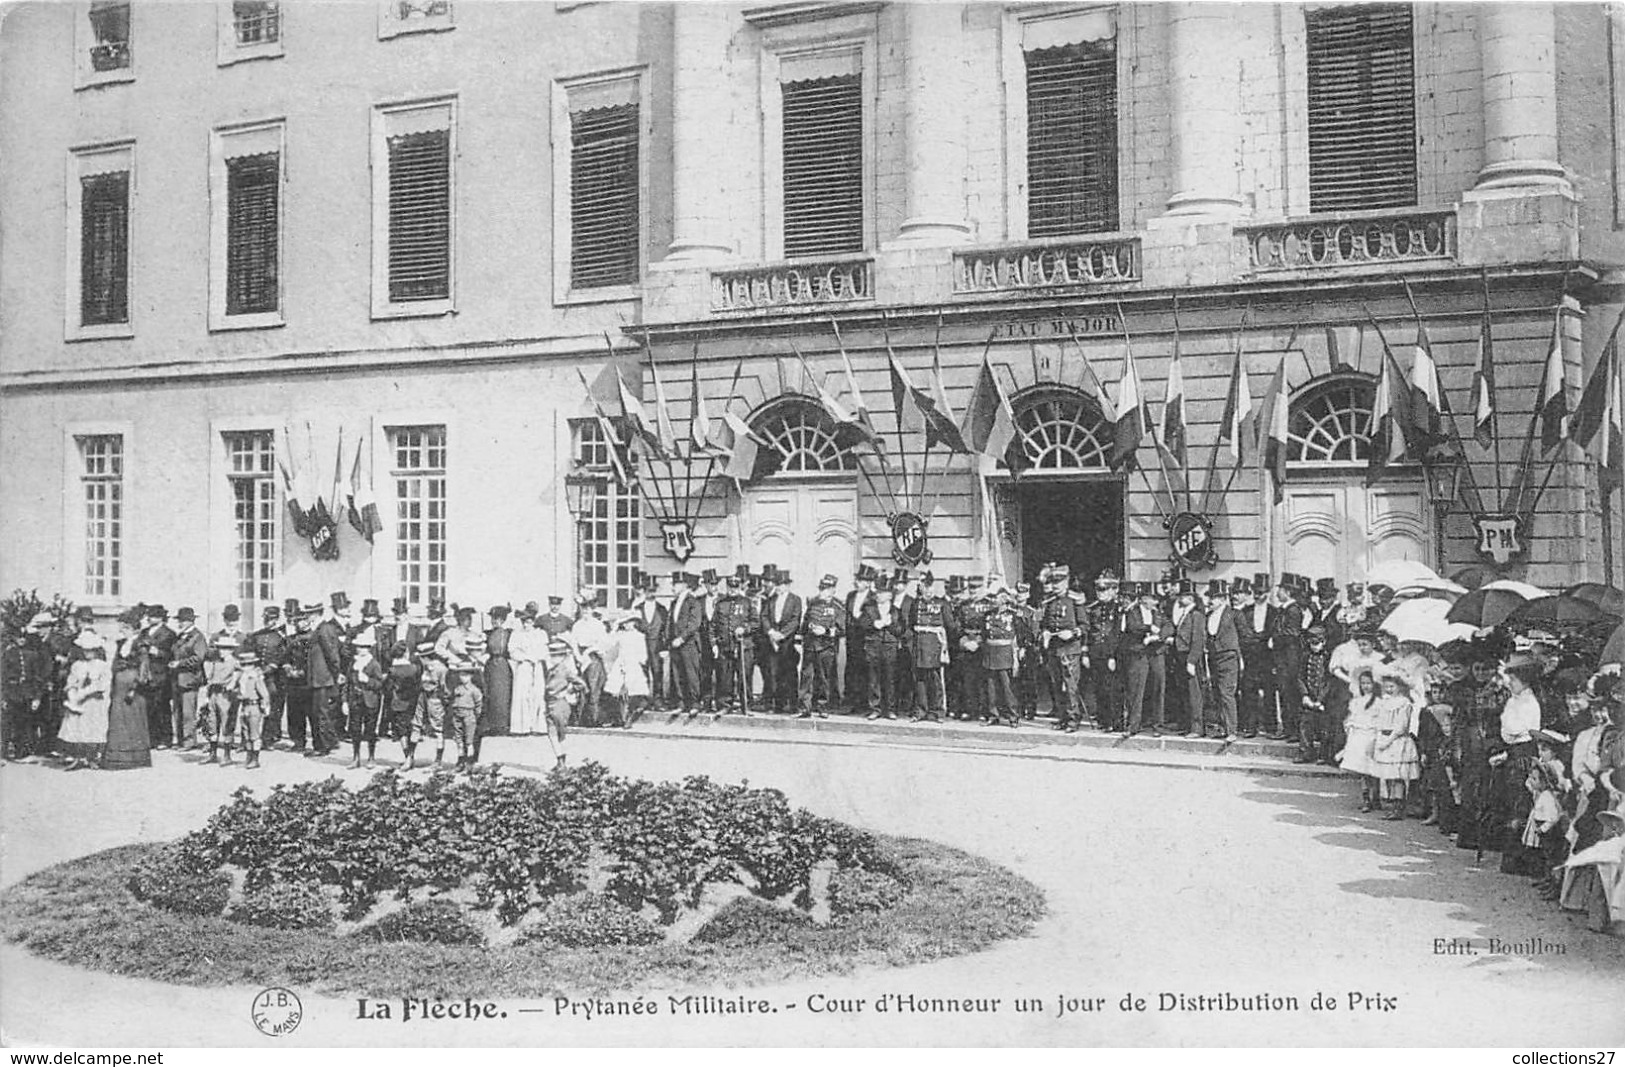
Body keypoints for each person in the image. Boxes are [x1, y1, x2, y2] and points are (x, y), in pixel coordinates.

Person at [1120, 581, 1172, 736]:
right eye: (1153, 598)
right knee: (1136, 690)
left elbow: (1169, 626)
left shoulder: (1158, 612)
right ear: (1143, 598)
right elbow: (1133, 627)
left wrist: (1158, 637)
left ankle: (1157, 726)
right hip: (1139, 655)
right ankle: (1133, 726)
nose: (1155, 601)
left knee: (1158, 689)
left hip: (1156, 654)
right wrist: (1149, 628)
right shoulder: (1132, 612)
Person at [102, 608, 151, 770]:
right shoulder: (122, 643)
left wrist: (135, 687)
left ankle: (134, 757)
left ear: (132, 627)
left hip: (132, 688)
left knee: (132, 720)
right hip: (119, 687)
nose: (122, 630)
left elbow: (144, 666)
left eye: (124, 627)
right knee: (118, 719)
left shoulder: (141, 643)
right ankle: (117, 757)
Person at [1040, 564, 1086, 731]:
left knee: (1071, 686)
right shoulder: (1050, 602)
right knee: (1056, 685)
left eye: (1059, 582)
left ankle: (1074, 719)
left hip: (1070, 650)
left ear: (1066, 582)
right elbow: (1045, 624)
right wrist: (1045, 633)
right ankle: (1062, 718)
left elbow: (1084, 626)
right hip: (1054, 650)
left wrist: (1072, 633)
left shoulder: (1075, 601)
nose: (1055, 586)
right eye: (1053, 582)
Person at [1371, 668, 1422, 820]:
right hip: (1384, 738)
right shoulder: (1384, 702)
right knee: (1388, 775)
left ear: (1399, 686)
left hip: (1397, 741)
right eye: (1386, 686)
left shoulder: (1404, 703)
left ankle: (1399, 807)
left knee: (1398, 776)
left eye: (1392, 686)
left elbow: (1401, 726)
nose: (1389, 689)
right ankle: (1391, 803)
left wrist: (1389, 740)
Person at [58, 631, 111, 770]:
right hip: (78, 702)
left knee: (93, 728)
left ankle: (92, 757)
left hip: (93, 701)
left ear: (96, 651)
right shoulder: (77, 665)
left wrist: (86, 692)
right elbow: (71, 681)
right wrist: (72, 695)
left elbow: (103, 684)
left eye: (91, 651)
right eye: (85, 651)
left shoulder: (102, 665)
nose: (88, 653)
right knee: (77, 728)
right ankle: (78, 757)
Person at [907, 571, 955, 723]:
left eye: (929, 586)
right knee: (919, 679)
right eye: (924, 586)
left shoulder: (942, 603)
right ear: (920, 587)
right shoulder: (916, 604)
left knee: (935, 679)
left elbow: (950, 625)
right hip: (920, 644)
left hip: (935, 645)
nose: (927, 590)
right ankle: (921, 710)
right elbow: (911, 624)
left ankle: (937, 712)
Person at [799, 574, 845, 719]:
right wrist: (807, 629)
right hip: (810, 646)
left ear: (833, 590)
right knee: (806, 677)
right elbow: (805, 623)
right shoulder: (813, 603)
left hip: (826, 647)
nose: (822, 592)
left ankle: (823, 706)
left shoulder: (837, 607)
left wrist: (825, 631)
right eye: (821, 589)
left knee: (824, 678)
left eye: (826, 589)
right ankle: (805, 707)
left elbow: (842, 629)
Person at [1202, 579, 1241, 743]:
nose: (1211, 600)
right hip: (1213, 657)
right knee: (1217, 692)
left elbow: (1244, 637)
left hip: (1228, 656)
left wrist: (1240, 657)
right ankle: (1222, 727)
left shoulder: (1234, 614)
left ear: (1224, 598)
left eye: (1215, 597)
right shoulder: (1209, 615)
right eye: (1210, 597)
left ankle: (1232, 730)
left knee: (1227, 693)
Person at [712, 572, 756, 715]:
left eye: (735, 587)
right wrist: (714, 643)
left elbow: (756, 623)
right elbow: (713, 625)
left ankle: (746, 706)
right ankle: (725, 705)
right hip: (725, 646)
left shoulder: (747, 602)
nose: (733, 590)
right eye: (730, 587)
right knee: (725, 677)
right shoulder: (720, 603)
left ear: (740, 587)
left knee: (745, 677)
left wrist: (744, 629)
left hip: (744, 647)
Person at [761, 567, 803, 715]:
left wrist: (782, 635)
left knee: (789, 674)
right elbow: (764, 616)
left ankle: (792, 705)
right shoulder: (771, 600)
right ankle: (776, 705)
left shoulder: (795, 600)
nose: (778, 587)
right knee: (774, 673)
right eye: (777, 584)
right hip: (772, 641)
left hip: (787, 642)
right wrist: (771, 632)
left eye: (781, 584)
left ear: (787, 585)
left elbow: (795, 620)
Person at [1168, 580, 1206, 737]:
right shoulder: (1185, 614)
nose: (1179, 599)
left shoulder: (1196, 615)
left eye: (1182, 596)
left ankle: (1197, 728)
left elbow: (1197, 640)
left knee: (1194, 693)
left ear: (1190, 598)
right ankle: (1187, 724)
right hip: (1180, 656)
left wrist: (1191, 661)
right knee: (1184, 692)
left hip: (1190, 658)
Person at [1236, 577, 1274, 739]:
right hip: (1250, 657)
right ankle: (1250, 726)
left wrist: (1262, 639)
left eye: (1261, 593)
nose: (1257, 596)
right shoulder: (1246, 611)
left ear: (1267, 593)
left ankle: (1270, 727)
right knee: (1249, 691)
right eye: (1255, 593)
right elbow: (1243, 634)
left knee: (1269, 692)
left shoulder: (1274, 612)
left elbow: (1274, 633)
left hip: (1267, 658)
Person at [308, 597, 346, 756]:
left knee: (322, 712)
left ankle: (325, 746)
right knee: (318, 711)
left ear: (317, 614)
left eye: (310, 614)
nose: (307, 617)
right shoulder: (319, 629)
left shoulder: (324, 629)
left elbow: (332, 654)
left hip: (323, 678)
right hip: (317, 678)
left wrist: (337, 673)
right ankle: (324, 743)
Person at [861, 581, 904, 721]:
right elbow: (861, 624)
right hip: (873, 646)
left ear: (889, 595)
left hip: (889, 647)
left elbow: (900, 630)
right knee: (874, 678)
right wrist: (874, 624)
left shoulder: (895, 610)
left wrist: (890, 624)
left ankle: (890, 709)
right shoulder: (869, 608)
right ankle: (875, 708)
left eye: (881, 592)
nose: (878, 595)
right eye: (877, 592)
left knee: (890, 679)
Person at [980, 584, 1021, 728]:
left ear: (1003, 599)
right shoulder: (987, 615)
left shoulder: (1013, 615)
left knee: (1007, 686)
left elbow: (1018, 636)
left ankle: (1013, 715)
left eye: (994, 598)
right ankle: (993, 715)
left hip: (1005, 652)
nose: (991, 601)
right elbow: (984, 635)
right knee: (991, 686)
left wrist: (1016, 655)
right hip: (991, 652)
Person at [134, 604, 175, 749]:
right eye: (149, 616)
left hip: (161, 674)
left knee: (162, 707)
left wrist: (157, 652)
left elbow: (171, 655)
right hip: (146, 674)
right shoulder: (144, 632)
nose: (150, 618)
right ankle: (151, 738)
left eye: (153, 616)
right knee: (149, 707)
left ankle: (165, 739)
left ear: (161, 618)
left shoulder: (169, 633)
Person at [1341, 669, 1382, 812]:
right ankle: (1366, 798)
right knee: (1362, 770)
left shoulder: (1378, 702)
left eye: (1369, 683)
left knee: (1372, 769)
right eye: (1363, 683)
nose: (1365, 686)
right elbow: (1352, 717)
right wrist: (1349, 725)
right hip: (1358, 736)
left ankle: (1375, 798)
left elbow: (1379, 721)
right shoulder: (1357, 701)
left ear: (1374, 684)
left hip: (1371, 735)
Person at [568, 592, 611, 726]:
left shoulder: (598, 625)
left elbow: (603, 643)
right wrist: (578, 657)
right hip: (581, 658)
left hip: (593, 658)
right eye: (583, 608)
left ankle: (594, 718)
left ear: (592, 609)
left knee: (594, 688)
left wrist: (589, 651)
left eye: (588, 608)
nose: (585, 611)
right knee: (581, 686)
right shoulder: (577, 625)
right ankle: (581, 718)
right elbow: (573, 642)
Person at [169, 606, 208, 750]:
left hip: (190, 679)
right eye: (180, 620)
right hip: (177, 679)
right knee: (178, 711)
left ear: (192, 621)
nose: (182, 623)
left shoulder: (198, 637)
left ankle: (189, 741)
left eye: (185, 620)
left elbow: (199, 657)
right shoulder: (180, 637)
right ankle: (181, 740)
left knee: (188, 712)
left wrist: (180, 663)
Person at [247, 605, 287, 746]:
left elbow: (283, 656)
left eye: (272, 619)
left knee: (273, 706)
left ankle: (269, 737)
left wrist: (269, 668)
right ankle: (252, 736)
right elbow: (251, 653)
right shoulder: (257, 635)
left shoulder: (282, 637)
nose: (269, 621)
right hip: (257, 674)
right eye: (267, 619)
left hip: (274, 677)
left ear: (277, 619)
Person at [345, 630, 385, 769]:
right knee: (355, 729)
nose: (361, 649)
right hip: (355, 700)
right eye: (359, 646)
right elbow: (347, 683)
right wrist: (345, 701)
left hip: (370, 700)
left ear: (369, 648)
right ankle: (356, 758)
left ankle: (371, 757)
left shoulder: (374, 664)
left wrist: (367, 680)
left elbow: (379, 684)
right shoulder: (353, 663)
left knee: (370, 729)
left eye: (364, 647)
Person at [669, 572, 706, 719]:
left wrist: (682, 638)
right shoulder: (674, 602)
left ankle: (695, 703)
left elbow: (694, 624)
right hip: (675, 644)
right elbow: (669, 623)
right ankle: (681, 703)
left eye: (675, 584)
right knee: (677, 674)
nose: (672, 587)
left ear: (684, 585)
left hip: (689, 644)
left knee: (691, 674)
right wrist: (669, 641)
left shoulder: (693, 602)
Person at [542, 635, 583, 768]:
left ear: (563, 657)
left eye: (557, 656)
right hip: (550, 704)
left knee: (560, 734)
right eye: (552, 656)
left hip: (560, 704)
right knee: (552, 734)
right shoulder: (551, 670)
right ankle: (560, 759)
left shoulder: (565, 670)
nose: (554, 659)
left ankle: (562, 762)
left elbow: (581, 684)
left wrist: (568, 691)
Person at [508, 606, 548, 736]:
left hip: (537, 666)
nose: (527, 625)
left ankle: (538, 726)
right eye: (525, 622)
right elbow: (512, 651)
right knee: (522, 695)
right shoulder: (517, 634)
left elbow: (545, 650)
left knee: (537, 694)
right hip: (524, 666)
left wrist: (537, 658)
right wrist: (525, 658)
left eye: (530, 622)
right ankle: (522, 727)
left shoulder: (540, 634)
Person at [201, 632, 239, 764]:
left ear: (232, 650)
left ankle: (227, 756)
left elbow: (238, 677)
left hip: (226, 696)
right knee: (212, 723)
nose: (222, 651)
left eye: (226, 648)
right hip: (213, 694)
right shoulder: (215, 662)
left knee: (227, 724)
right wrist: (207, 697)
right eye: (221, 648)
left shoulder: (235, 663)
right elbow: (209, 680)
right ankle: (213, 754)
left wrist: (233, 684)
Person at [383, 641, 422, 769]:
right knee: (413, 729)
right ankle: (411, 756)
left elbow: (387, 689)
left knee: (402, 732)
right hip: (413, 702)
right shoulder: (415, 669)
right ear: (406, 654)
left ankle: (408, 757)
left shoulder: (392, 671)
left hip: (397, 703)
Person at [606, 614, 650, 725]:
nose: (626, 625)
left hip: (633, 663)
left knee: (633, 690)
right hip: (621, 663)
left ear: (634, 623)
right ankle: (619, 717)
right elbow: (608, 643)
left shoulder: (640, 636)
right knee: (615, 690)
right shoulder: (621, 635)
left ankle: (630, 716)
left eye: (628, 622)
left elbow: (642, 653)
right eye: (624, 623)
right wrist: (614, 629)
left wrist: (641, 662)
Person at [845, 565, 877, 715]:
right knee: (853, 671)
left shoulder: (873, 598)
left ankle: (867, 704)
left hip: (867, 639)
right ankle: (854, 703)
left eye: (862, 580)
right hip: (852, 640)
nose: (858, 582)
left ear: (869, 583)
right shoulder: (851, 596)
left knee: (867, 672)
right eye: (858, 579)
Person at [232, 648, 270, 770]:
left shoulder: (256, 678)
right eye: (243, 665)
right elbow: (237, 690)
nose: (245, 667)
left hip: (254, 706)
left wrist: (265, 706)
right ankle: (249, 757)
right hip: (244, 706)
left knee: (254, 734)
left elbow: (264, 694)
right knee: (246, 733)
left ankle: (255, 758)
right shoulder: (241, 677)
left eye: (248, 665)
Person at [443, 659, 483, 772]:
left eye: (465, 675)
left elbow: (478, 705)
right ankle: (460, 761)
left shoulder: (474, 690)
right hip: (457, 715)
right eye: (461, 675)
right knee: (459, 739)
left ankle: (469, 763)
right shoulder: (457, 689)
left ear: (470, 676)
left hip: (469, 715)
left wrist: (475, 716)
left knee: (469, 740)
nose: (463, 677)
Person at [481, 605, 513, 741]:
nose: (495, 621)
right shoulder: (488, 633)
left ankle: (502, 725)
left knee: (502, 695)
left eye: (498, 619)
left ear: (503, 620)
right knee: (491, 694)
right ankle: (492, 725)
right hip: (491, 664)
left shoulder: (508, 633)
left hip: (502, 665)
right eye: (494, 619)